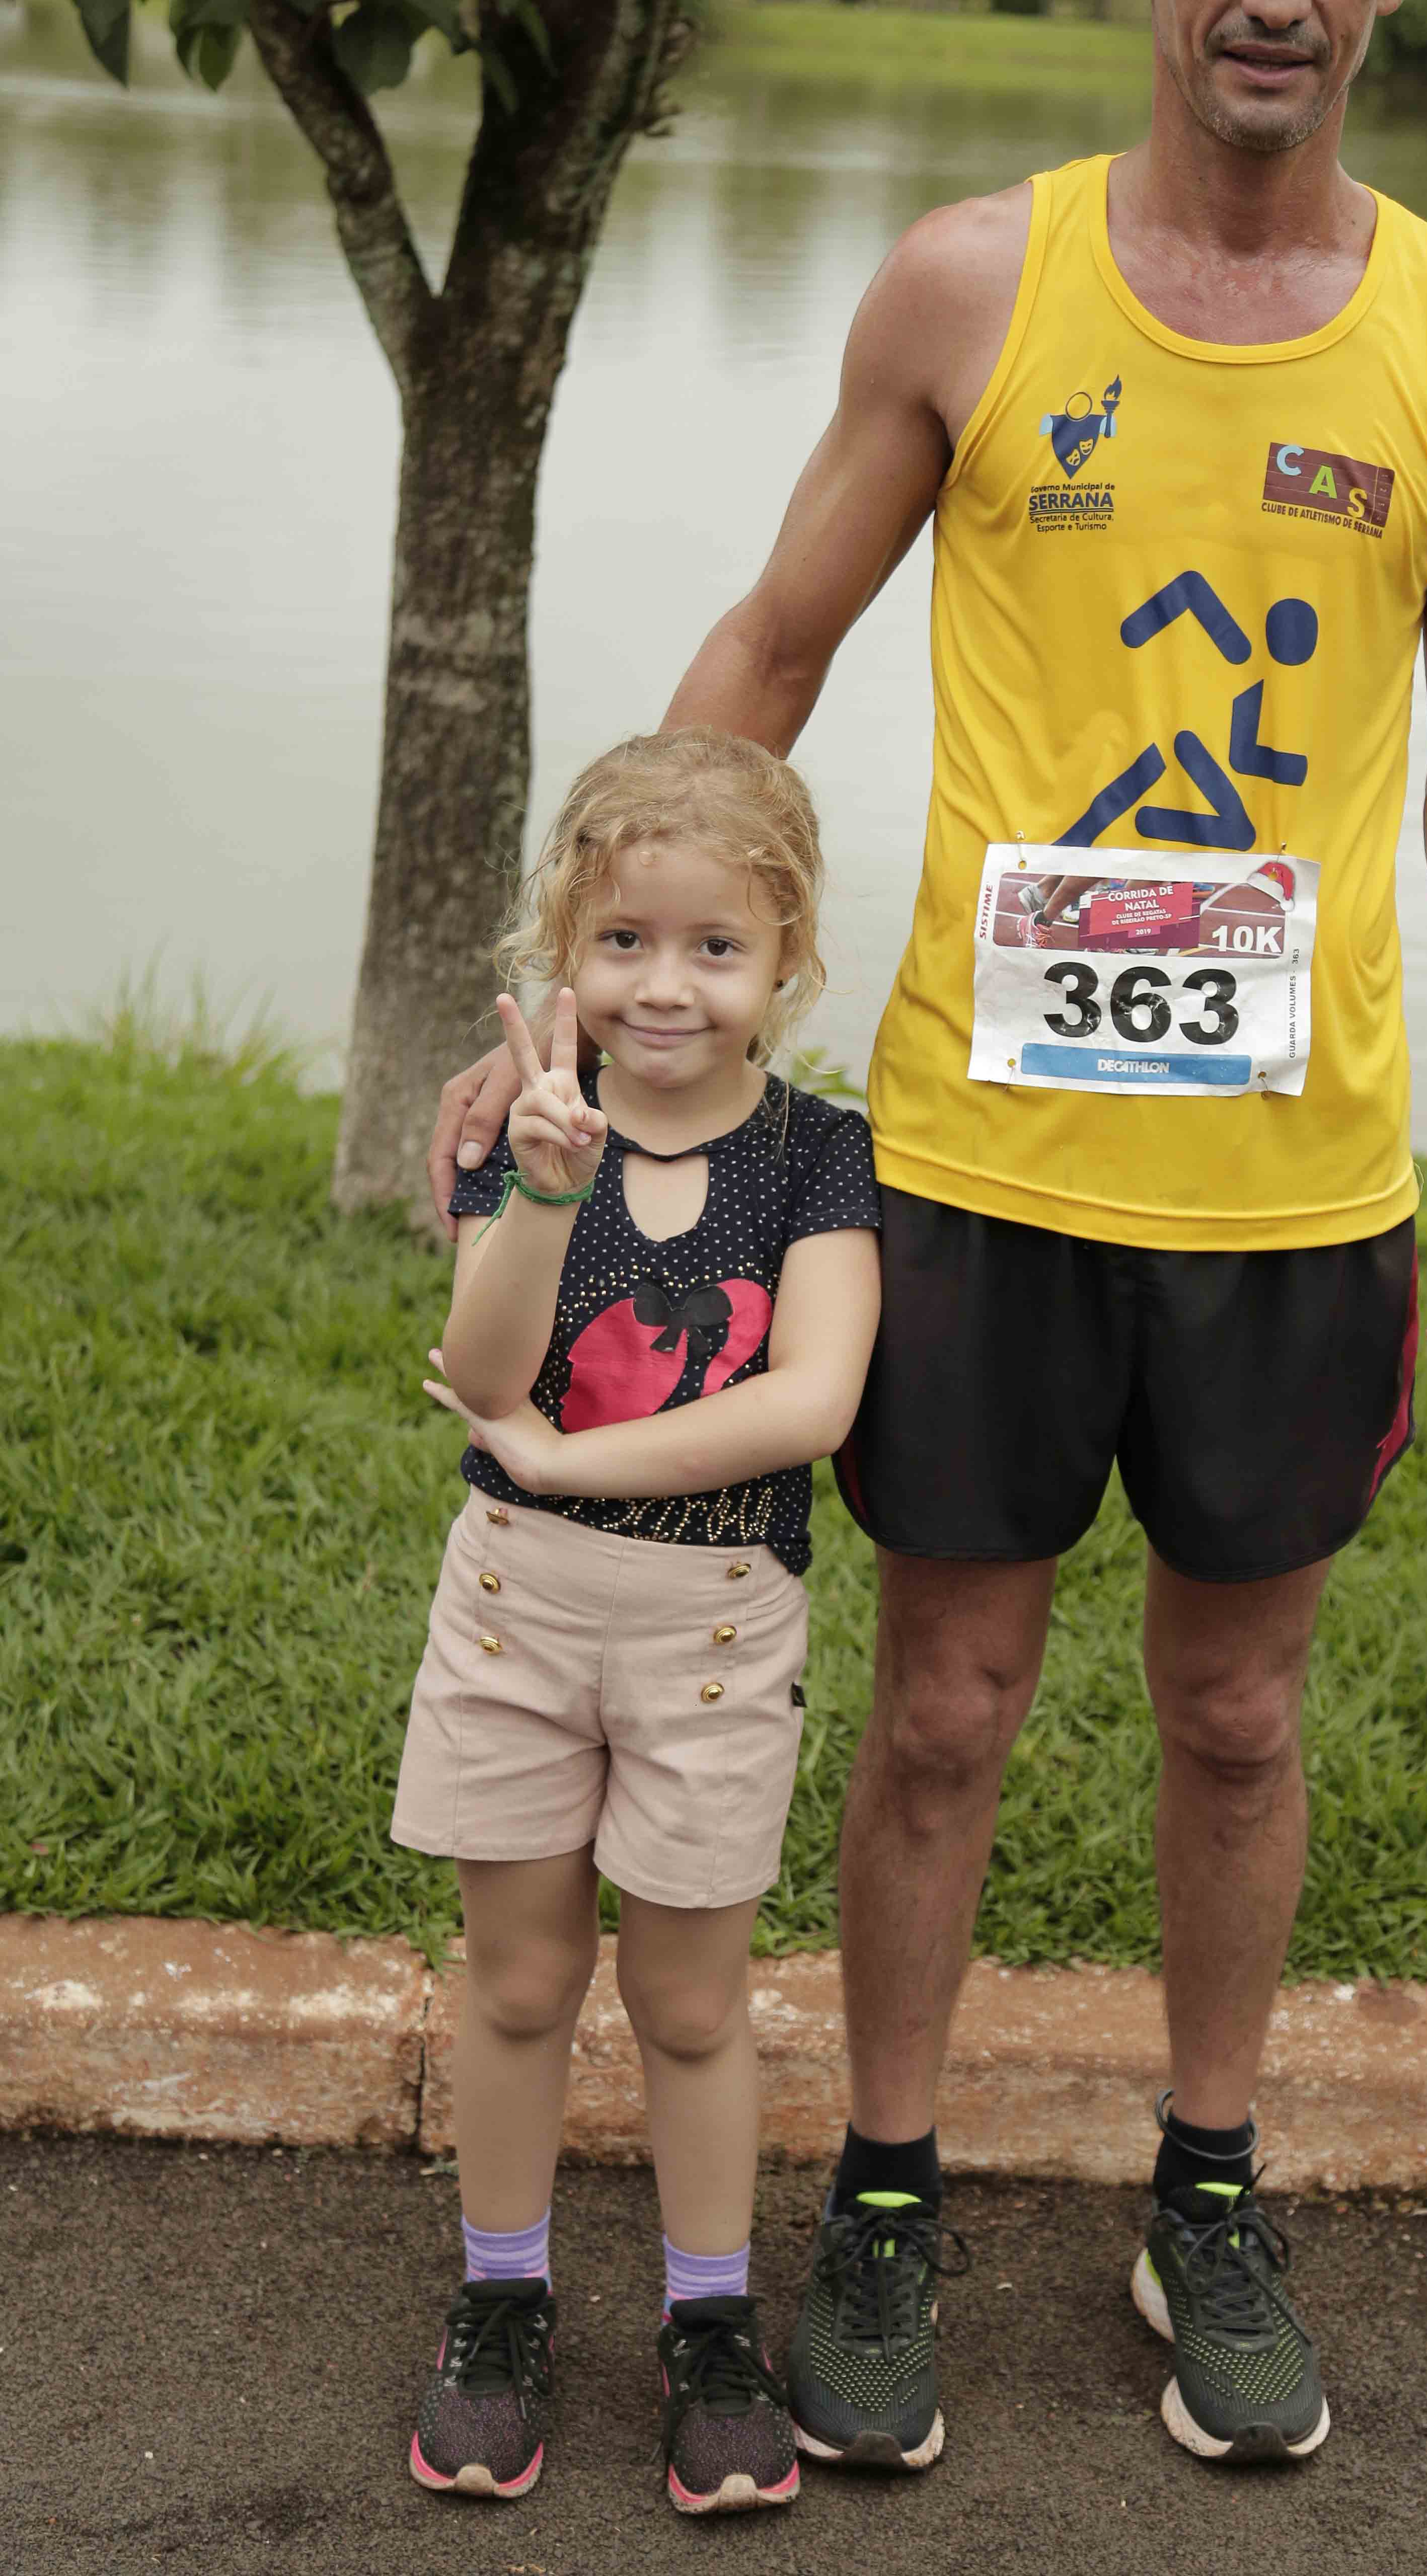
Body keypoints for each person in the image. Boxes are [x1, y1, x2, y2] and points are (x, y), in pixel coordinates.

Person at [430, 0, 1427, 2482]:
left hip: (1295, 1185)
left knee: (1238, 1719)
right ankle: (894, 2203)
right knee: (941, 1709)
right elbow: (776, 661)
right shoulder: (972, 284)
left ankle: (1210, 2187)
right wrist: (585, 979)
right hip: (968, 1161)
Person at [394, 729, 881, 2513]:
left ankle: (707, 2324)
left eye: (713, 948)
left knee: (689, 2000)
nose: (663, 986)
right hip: (518, 1620)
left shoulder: (821, 1158)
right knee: (520, 1977)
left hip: (715, 1632)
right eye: (622, 944)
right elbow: (484, 1370)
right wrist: (536, 1190)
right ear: (565, 951)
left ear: (787, 963)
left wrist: (570, 1468)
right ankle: (503, 2302)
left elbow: (811, 1401)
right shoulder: (526, 1138)